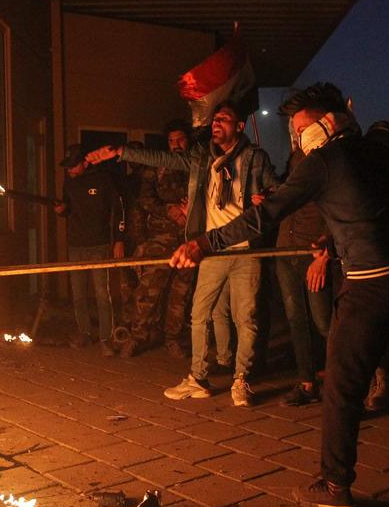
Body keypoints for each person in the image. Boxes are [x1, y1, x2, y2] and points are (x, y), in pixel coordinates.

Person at [168, 83, 389, 507]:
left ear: (323, 125)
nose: (295, 138)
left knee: (340, 385)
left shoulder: (323, 162)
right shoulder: (378, 150)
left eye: (299, 129)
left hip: (370, 285)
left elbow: (266, 213)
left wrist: (205, 242)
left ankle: (335, 485)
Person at [87, 101, 278, 406]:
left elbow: (276, 191)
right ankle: (198, 378)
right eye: (215, 119)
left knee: (247, 317)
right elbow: (163, 158)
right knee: (199, 313)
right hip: (212, 248)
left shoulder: (255, 159)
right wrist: (122, 152)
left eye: (224, 119)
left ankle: (241, 379)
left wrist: (266, 196)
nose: (217, 123)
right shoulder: (202, 157)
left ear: (239, 127)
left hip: (246, 249)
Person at [119, 120, 196, 358]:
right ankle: (137, 336)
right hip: (161, 237)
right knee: (150, 289)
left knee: (180, 292)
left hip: (189, 237)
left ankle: (172, 338)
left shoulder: (197, 164)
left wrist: (190, 210)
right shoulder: (157, 167)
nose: (176, 145)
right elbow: (145, 200)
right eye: (172, 141)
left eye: (180, 139)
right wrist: (168, 210)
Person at [273, 145, 334, 406]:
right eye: (293, 166)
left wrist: (326, 252)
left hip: (313, 257)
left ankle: (346, 380)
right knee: (296, 320)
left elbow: (338, 220)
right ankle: (307, 384)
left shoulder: (327, 185)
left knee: (324, 323)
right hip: (285, 254)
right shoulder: (289, 187)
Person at [55, 144, 126, 354]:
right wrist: (62, 211)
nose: (70, 170)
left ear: (85, 162)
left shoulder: (103, 180)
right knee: (78, 294)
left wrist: (119, 240)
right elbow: (68, 208)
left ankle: (106, 337)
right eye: (67, 167)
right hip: (75, 245)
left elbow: (118, 208)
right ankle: (85, 332)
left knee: (101, 294)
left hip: (99, 244)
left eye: (74, 166)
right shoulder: (69, 181)